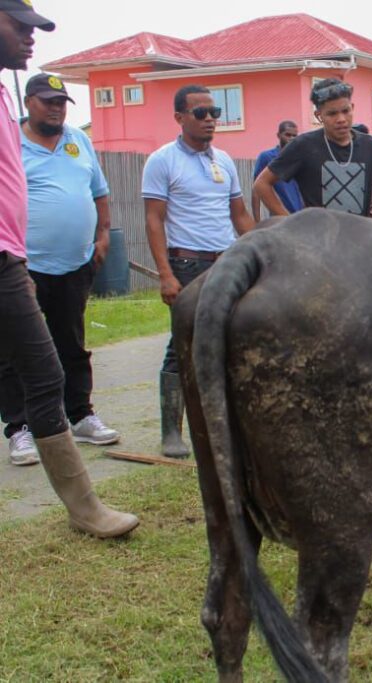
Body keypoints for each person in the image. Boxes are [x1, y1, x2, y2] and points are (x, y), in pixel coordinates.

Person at [0, 1, 137, 538]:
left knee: (49, 367)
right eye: (21, 27)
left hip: (14, 259)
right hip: (11, 260)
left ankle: (86, 509)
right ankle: (80, 503)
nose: (30, 39)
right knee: (34, 367)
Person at [0, 72, 119, 465]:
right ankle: (20, 429)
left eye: (61, 102)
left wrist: (103, 236)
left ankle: (80, 415)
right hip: (23, 266)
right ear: (29, 102)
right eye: (48, 100)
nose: (56, 108)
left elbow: (98, 193)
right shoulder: (10, 140)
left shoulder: (77, 140)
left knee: (72, 342)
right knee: (17, 350)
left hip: (75, 263)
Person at [143, 84, 255, 458]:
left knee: (232, 340)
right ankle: (171, 433)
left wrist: (264, 249)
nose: (210, 120)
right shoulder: (163, 161)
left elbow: (239, 215)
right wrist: (165, 273)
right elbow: (154, 220)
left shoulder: (223, 160)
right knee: (183, 347)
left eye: (215, 113)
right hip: (186, 264)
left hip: (227, 262)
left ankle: (228, 426)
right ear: (179, 118)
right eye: (201, 113)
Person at [254, 79, 372, 219]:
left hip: (361, 241)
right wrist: (290, 223)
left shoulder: (371, 146)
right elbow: (261, 184)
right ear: (319, 116)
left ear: (352, 108)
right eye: (332, 113)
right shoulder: (303, 145)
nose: (341, 119)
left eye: (346, 111)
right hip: (318, 241)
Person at [250, 120, 302, 221]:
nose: (291, 139)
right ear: (279, 135)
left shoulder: (298, 158)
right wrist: (257, 221)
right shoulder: (267, 157)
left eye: (294, 136)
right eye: (288, 135)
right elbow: (256, 190)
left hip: (300, 217)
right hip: (279, 217)